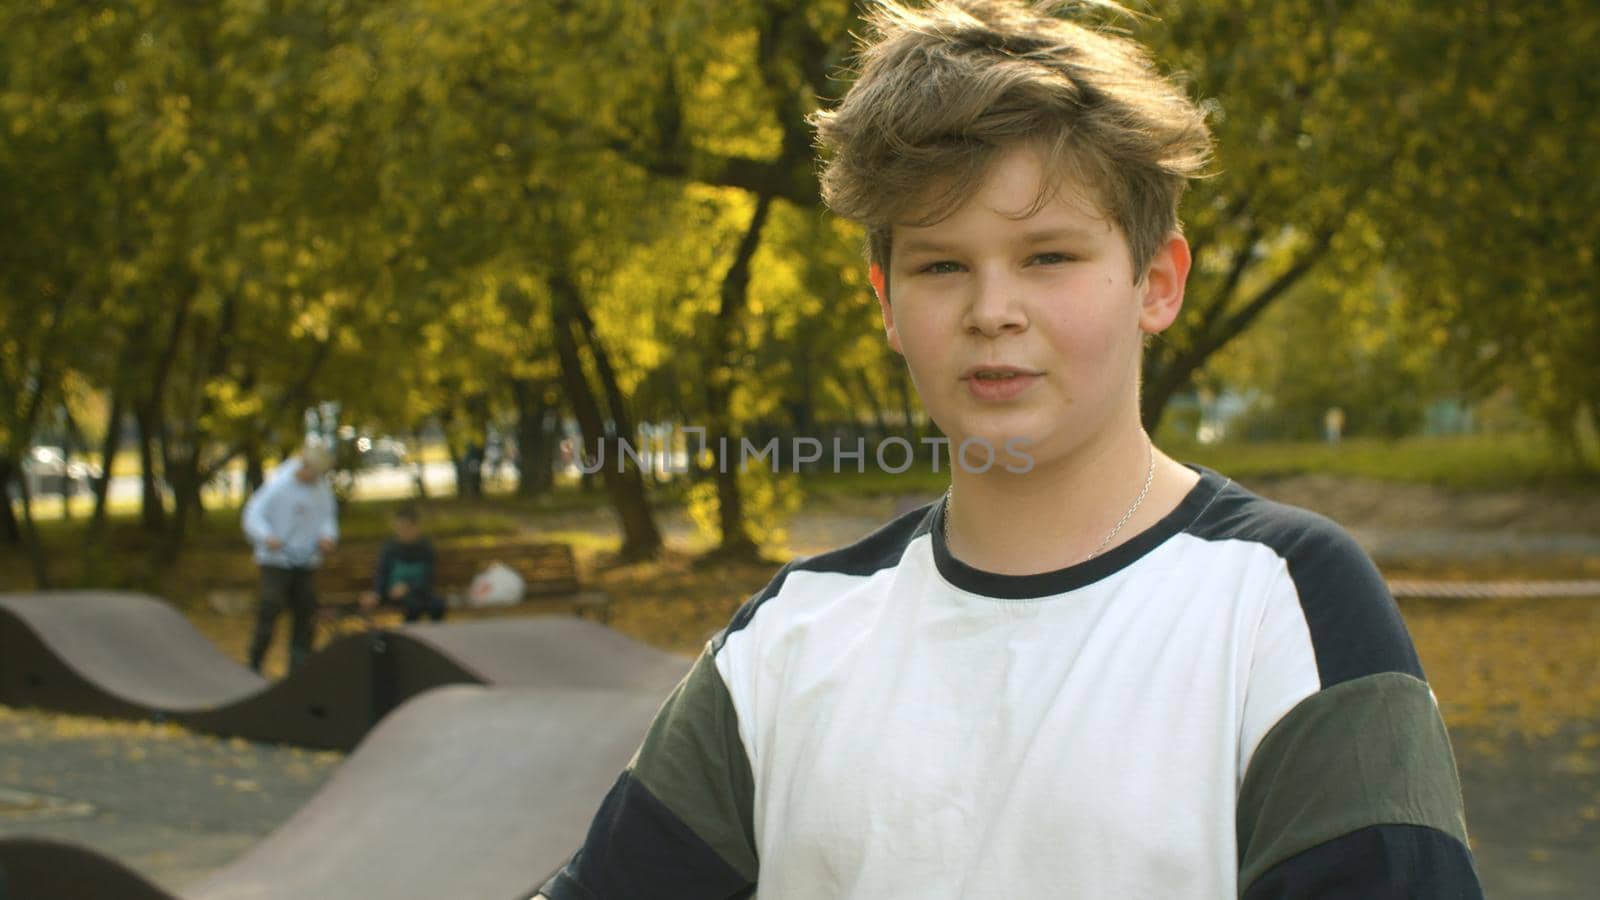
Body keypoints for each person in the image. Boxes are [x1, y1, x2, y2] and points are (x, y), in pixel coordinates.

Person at [537, 2, 1481, 897]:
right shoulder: (790, 639)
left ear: (1156, 283)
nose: (993, 311)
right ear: (886, 305)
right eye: (941, 265)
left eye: (1048, 257)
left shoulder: (1282, 603)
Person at [241, 443, 339, 673]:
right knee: (270, 607)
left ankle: (299, 666)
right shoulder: (279, 485)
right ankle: (255, 663)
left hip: (306, 560)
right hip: (276, 561)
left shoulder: (321, 489)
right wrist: (267, 536)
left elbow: (328, 517)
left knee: (306, 613)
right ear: (304, 466)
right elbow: (253, 514)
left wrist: (328, 537)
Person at [358, 503, 442, 623]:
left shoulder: (426, 549)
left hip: (419, 593)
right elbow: (381, 574)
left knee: (436, 605)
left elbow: (429, 578)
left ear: (416, 527)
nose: (402, 532)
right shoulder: (389, 549)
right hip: (392, 595)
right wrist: (377, 593)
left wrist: (408, 588)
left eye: (406, 528)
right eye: (399, 528)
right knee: (412, 606)